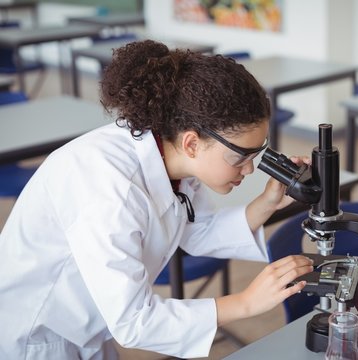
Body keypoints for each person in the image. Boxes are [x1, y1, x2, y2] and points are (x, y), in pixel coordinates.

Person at [0, 40, 313, 359]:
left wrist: (269, 201)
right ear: (192, 143)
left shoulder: (174, 158)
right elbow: (134, 321)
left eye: (255, 154)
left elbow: (197, 230)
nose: (249, 169)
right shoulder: (110, 189)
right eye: (240, 157)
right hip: (38, 335)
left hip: (89, 323)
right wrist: (246, 302)